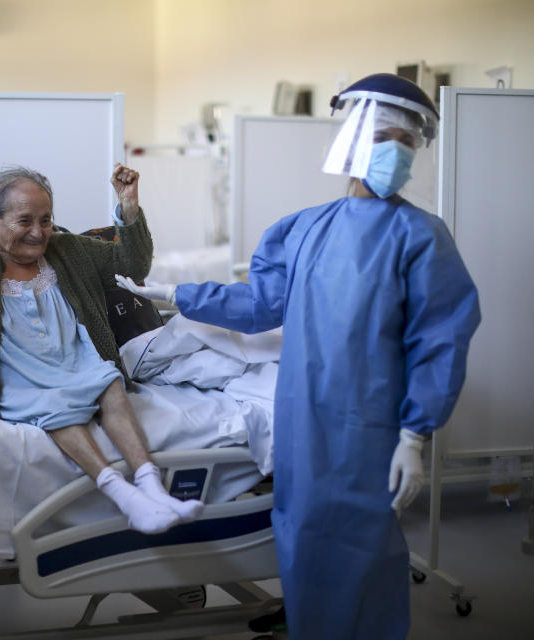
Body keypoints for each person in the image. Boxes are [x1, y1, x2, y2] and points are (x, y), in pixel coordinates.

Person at [117, 73, 481, 639]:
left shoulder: (421, 237)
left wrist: (416, 435)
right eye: (385, 138)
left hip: (371, 423)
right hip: (302, 415)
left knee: (364, 540)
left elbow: (441, 340)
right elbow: (262, 304)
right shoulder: (306, 229)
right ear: (356, 143)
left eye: (407, 144)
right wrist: (180, 294)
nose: (397, 153)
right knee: (303, 532)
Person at [0, 163, 203, 536]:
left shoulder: (66, 249)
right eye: (25, 220)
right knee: (56, 405)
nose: (38, 232)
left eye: (45, 220)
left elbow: (132, 264)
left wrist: (128, 208)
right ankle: (125, 496)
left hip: (74, 356)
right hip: (14, 370)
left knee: (110, 385)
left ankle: (153, 487)